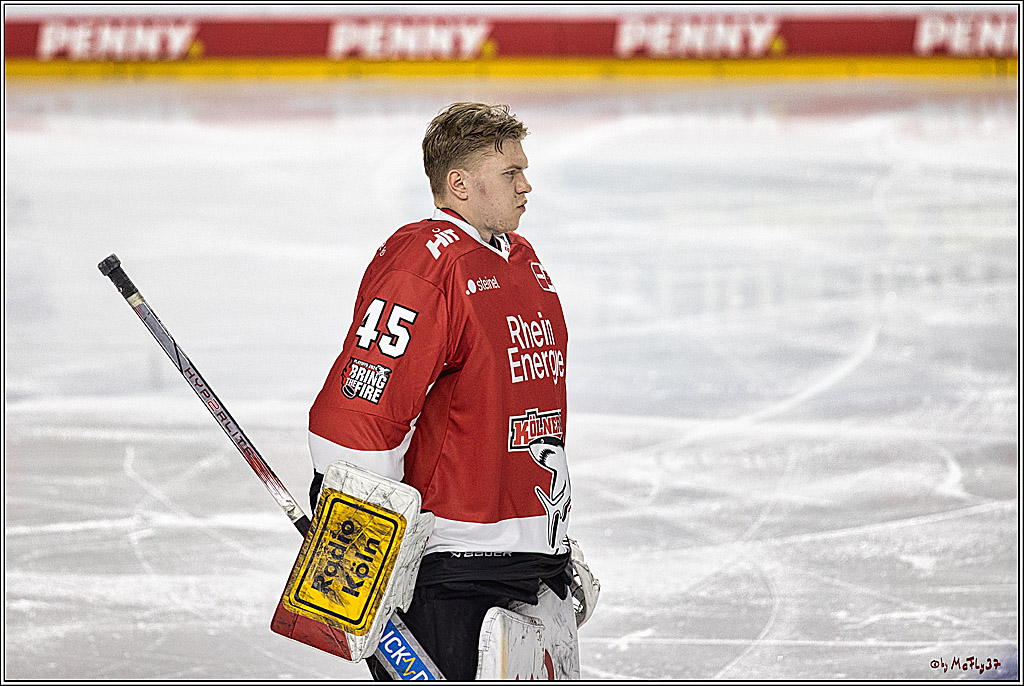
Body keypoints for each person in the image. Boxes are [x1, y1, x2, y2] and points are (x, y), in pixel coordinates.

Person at [307, 102, 575, 680]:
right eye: (511, 174)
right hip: (451, 566)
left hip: (530, 556)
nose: (527, 187)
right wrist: (352, 526)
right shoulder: (426, 263)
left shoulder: (522, 263)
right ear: (459, 183)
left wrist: (553, 540)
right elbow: (362, 404)